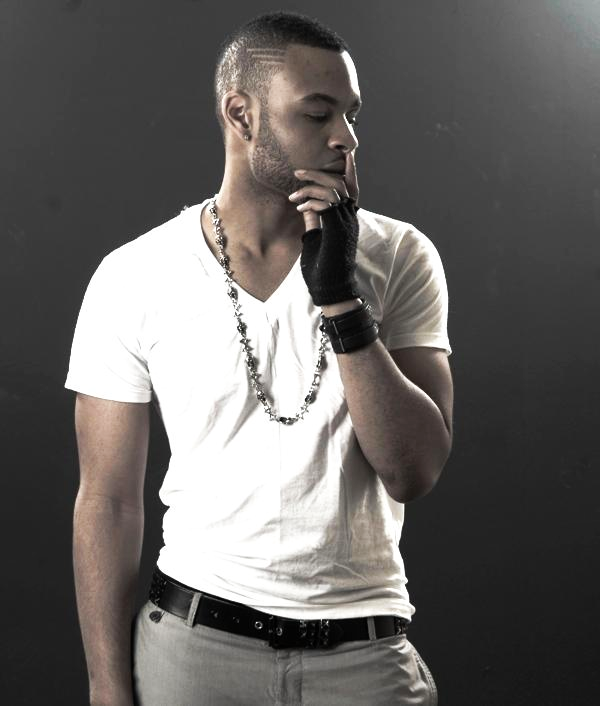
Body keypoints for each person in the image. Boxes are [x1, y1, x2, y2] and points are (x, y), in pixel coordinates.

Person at [67, 10, 453, 706]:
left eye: (351, 114)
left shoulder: (399, 255)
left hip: (363, 654)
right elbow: (108, 500)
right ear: (241, 116)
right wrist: (105, 685)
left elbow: (414, 470)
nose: (346, 137)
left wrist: (340, 299)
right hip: (192, 650)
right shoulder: (134, 274)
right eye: (318, 113)